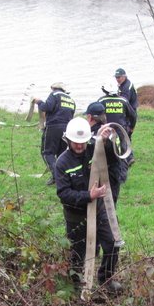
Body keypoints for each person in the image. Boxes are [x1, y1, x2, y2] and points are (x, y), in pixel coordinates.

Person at [54, 116, 122, 293]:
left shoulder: (94, 149)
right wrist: (88, 195)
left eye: (82, 142)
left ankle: (106, 279)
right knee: (77, 253)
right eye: (75, 143)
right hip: (76, 216)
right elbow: (64, 194)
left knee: (113, 243)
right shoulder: (62, 163)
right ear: (67, 140)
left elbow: (114, 160)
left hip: (99, 209)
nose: (79, 146)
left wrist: (106, 142)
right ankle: (77, 286)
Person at [34, 82, 76, 185]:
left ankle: (56, 176)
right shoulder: (71, 100)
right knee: (62, 154)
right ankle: (64, 177)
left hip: (53, 127)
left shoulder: (54, 94)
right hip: (67, 129)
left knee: (47, 153)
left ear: (54, 88)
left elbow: (46, 107)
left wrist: (39, 102)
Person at [98, 85, 137, 181]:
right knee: (123, 154)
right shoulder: (123, 101)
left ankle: (106, 176)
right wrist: (131, 127)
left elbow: (97, 115)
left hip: (107, 132)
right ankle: (122, 178)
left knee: (107, 154)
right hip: (121, 131)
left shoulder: (101, 101)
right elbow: (133, 116)